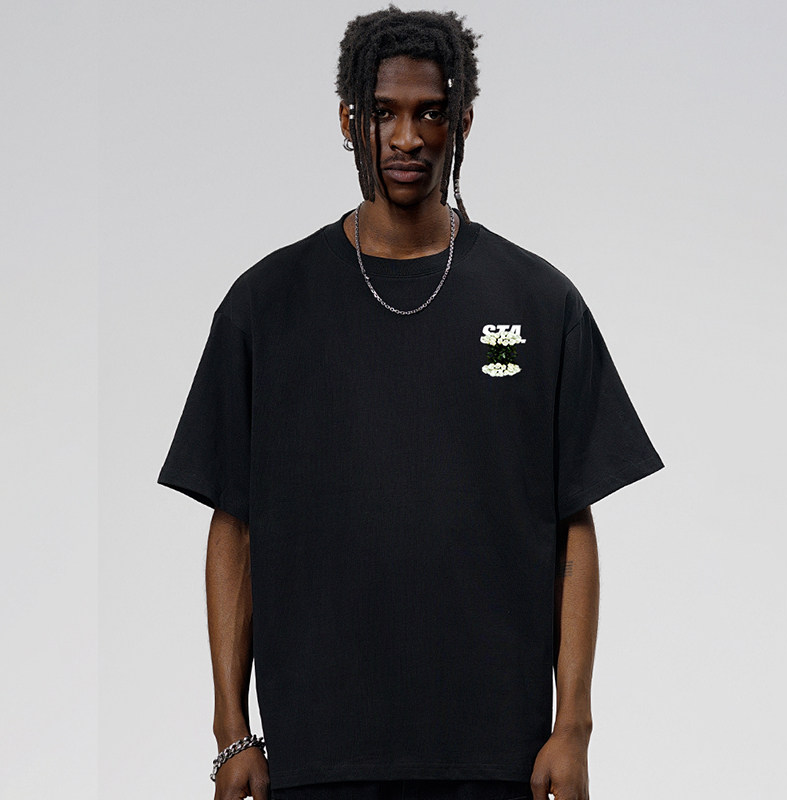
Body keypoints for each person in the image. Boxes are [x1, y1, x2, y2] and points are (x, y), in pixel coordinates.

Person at [157, 6, 664, 800]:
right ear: (347, 121)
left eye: (430, 113)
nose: (406, 137)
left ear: (462, 122)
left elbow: (573, 525)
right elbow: (234, 526)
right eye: (383, 113)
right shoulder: (267, 305)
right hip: (316, 758)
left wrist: (573, 728)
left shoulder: (538, 301)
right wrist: (232, 732)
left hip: (497, 758)